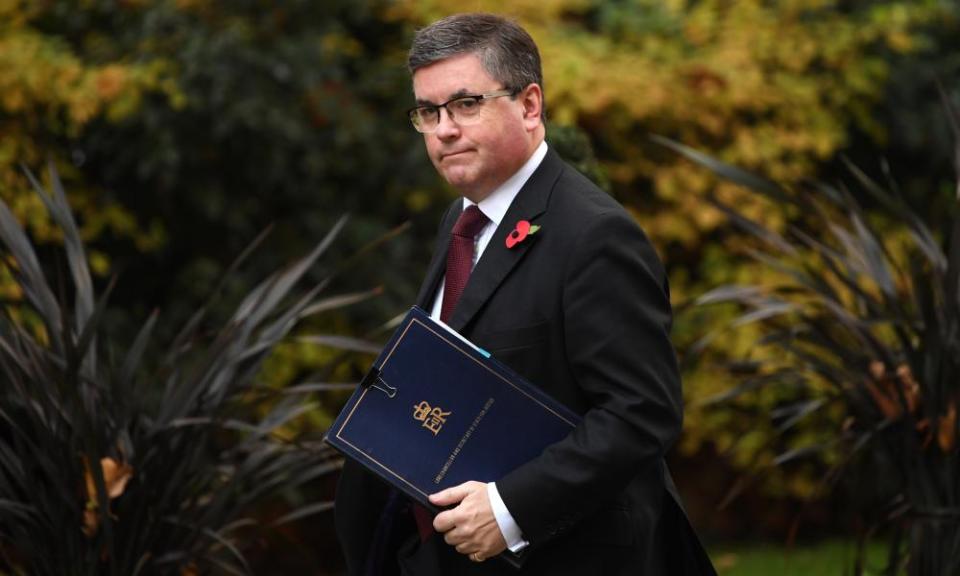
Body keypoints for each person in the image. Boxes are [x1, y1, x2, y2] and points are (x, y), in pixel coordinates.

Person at [335, 12, 716, 576]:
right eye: (429, 111)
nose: (444, 130)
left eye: (466, 104)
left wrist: (510, 509)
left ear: (530, 106)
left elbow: (642, 413)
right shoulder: (461, 220)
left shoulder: (594, 234)